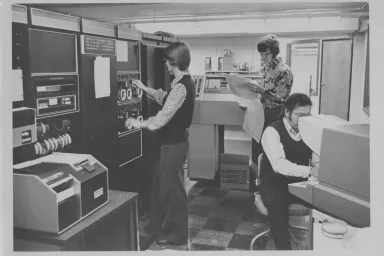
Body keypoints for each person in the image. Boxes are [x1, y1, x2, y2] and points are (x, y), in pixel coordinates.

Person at [126, 41, 195, 246]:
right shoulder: (180, 84)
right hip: (170, 145)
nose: (165, 64)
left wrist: (138, 123)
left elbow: (161, 118)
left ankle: (177, 235)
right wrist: (145, 88)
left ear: (174, 62)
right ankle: (156, 227)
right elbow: (165, 98)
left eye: (167, 61)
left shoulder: (181, 87)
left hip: (173, 147)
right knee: (158, 187)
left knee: (173, 191)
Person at [259, 93, 317, 250]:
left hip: (298, 181)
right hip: (274, 182)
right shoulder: (272, 131)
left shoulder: (308, 132)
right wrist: (310, 171)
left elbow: (316, 157)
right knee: (279, 212)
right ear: (287, 112)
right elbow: (279, 165)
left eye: (308, 115)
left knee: (326, 203)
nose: (304, 120)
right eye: (300, 115)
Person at [240, 34, 294, 190]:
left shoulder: (284, 71)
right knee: (257, 152)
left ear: (275, 52)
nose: (263, 58)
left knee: (270, 153)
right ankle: (258, 187)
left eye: (266, 54)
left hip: (275, 117)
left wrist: (262, 90)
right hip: (261, 115)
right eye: (261, 55)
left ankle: (271, 189)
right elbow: (263, 95)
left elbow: (282, 98)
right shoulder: (265, 69)